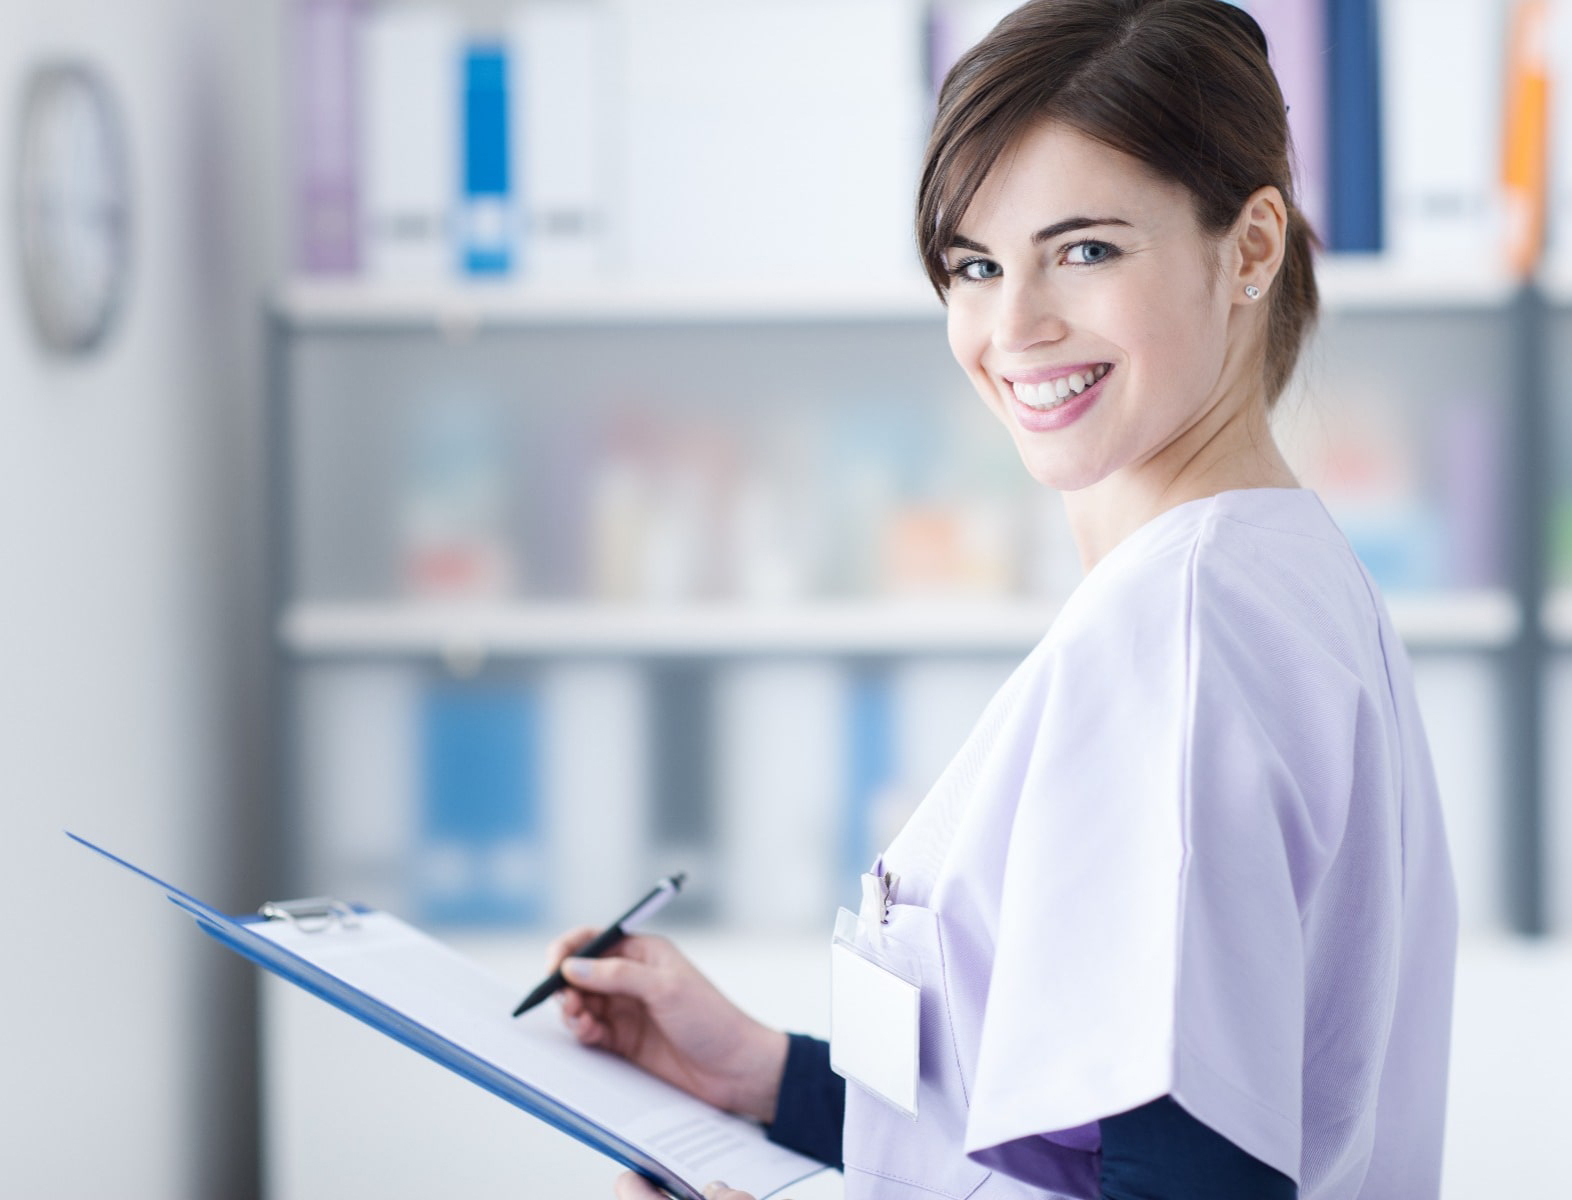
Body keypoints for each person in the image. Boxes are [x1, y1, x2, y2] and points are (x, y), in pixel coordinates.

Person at [544, 1, 1458, 1196]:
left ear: (1248, 247)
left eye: (1084, 249)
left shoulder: (1181, 632)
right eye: (975, 264)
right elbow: (1088, 1125)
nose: (1012, 326)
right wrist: (765, 1080)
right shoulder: (1286, 575)